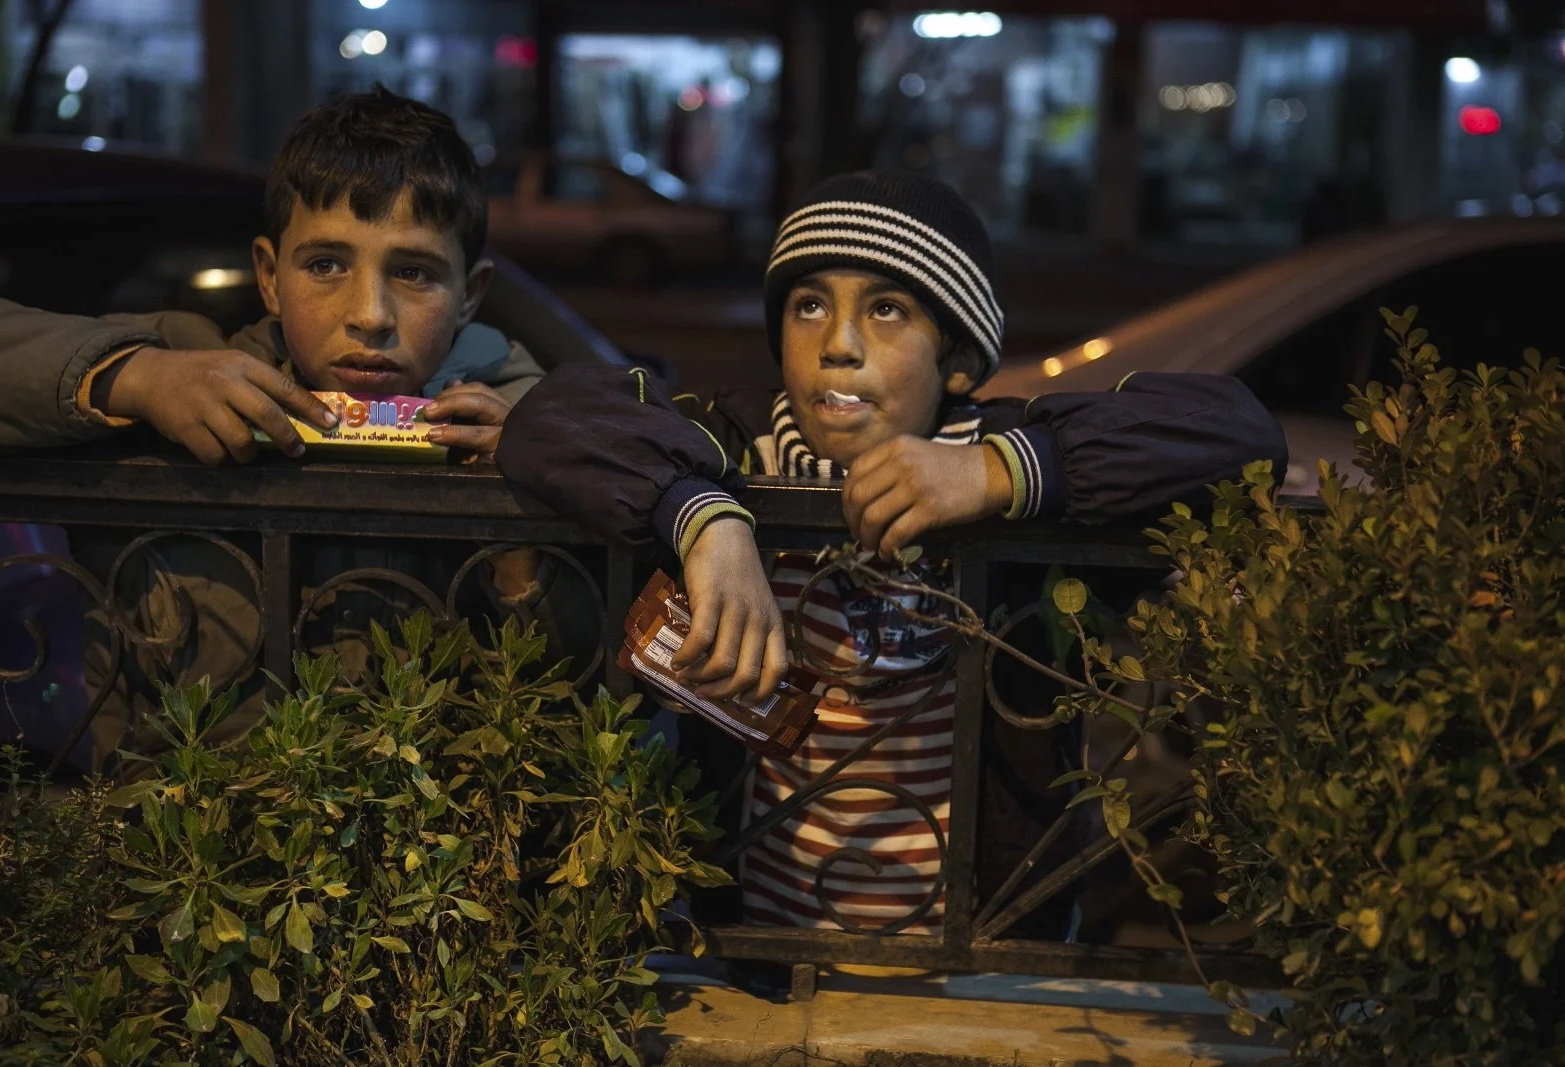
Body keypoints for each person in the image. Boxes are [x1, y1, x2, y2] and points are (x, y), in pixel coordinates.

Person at [496, 170, 1288, 936]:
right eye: (809, 305)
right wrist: (707, 518)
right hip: (760, 940)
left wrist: (997, 472)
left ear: (958, 358)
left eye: (886, 310)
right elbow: (559, 411)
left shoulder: (999, 454)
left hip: (973, 942)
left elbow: (1239, 435)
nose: (838, 344)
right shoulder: (738, 447)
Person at [0, 87, 564, 774]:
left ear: (472, 294)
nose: (370, 314)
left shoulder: (516, 416)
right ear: (270, 278)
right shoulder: (185, 370)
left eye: (413, 272)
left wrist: (524, 530)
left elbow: (591, 692)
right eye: (326, 265)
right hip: (185, 862)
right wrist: (135, 378)